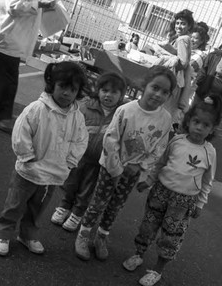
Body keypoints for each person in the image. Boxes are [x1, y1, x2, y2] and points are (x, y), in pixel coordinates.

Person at [74, 66, 176, 261]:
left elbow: (160, 147)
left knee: (116, 205)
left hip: (133, 172)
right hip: (110, 168)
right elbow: (111, 140)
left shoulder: (165, 119)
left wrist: (140, 166)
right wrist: (117, 168)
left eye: (165, 92)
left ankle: (102, 236)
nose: (158, 94)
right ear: (144, 86)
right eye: (155, 87)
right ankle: (83, 234)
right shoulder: (126, 110)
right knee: (98, 202)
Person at [122, 96, 221, 286]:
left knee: (171, 236)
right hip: (160, 192)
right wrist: (149, 180)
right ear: (188, 121)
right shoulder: (176, 141)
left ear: (212, 129)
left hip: (184, 201)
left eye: (205, 125)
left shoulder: (210, 152)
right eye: (196, 122)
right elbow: (161, 163)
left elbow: (208, 181)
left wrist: (200, 203)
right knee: (147, 226)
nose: (199, 127)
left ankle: (158, 270)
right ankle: (138, 254)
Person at [0, 62, 89, 256]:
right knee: (15, 205)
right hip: (28, 171)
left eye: (73, 89)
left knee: (37, 209)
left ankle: (27, 235)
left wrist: (70, 161)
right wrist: (27, 156)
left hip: (52, 175)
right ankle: (4, 234)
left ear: (78, 92)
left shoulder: (77, 118)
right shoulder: (37, 109)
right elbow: (21, 132)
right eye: (62, 86)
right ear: (52, 84)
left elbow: (81, 140)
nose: (66, 93)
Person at [0, 0, 57, 133]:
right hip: (7, 35)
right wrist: (39, 4)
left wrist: (42, 1)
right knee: (8, 78)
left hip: (6, 32)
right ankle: (2, 118)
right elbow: (14, 6)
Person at [50, 72, 127, 231]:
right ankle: (64, 206)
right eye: (104, 90)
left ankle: (77, 213)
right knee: (70, 183)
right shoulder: (86, 105)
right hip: (79, 156)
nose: (108, 95)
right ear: (98, 90)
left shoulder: (122, 113)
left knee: (87, 189)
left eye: (114, 92)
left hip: (100, 162)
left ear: (121, 95)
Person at [153, 9, 194, 126]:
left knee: (163, 111)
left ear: (189, 26)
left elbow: (183, 62)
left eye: (183, 24)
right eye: (177, 23)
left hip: (174, 80)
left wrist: (168, 54)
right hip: (177, 81)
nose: (179, 26)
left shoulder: (183, 39)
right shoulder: (182, 38)